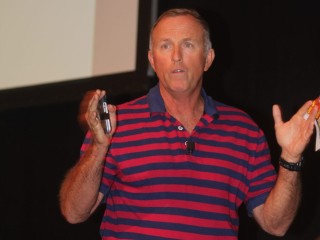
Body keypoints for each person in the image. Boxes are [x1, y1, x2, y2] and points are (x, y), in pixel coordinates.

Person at [59, 8, 318, 240]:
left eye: (188, 45)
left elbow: (277, 225)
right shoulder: (118, 124)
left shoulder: (244, 131)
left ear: (208, 58)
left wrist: (291, 158)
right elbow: (74, 212)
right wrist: (99, 148)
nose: (176, 57)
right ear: (152, 60)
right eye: (165, 46)